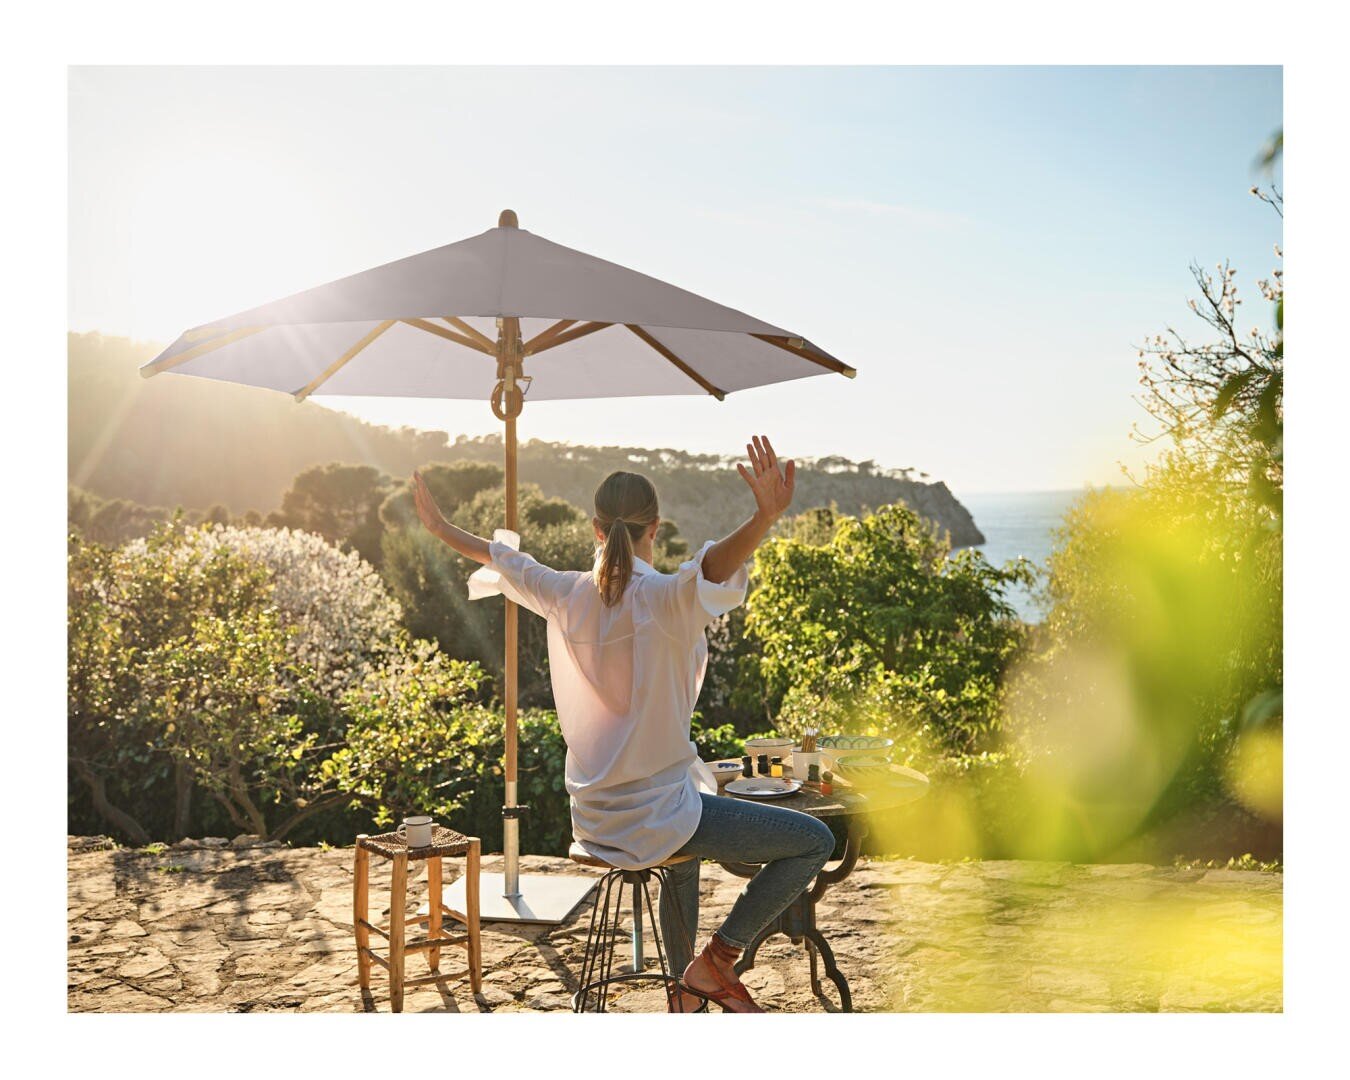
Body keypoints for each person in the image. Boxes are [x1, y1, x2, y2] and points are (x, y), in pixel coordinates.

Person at [411, 435, 835, 1013]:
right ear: (654, 528)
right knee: (814, 841)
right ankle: (717, 962)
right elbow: (711, 568)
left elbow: (502, 558)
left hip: (594, 817)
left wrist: (438, 529)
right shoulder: (663, 598)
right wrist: (764, 516)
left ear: (593, 527)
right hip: (657, 816)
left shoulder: (566, 593)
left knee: (683, 839)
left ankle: (681, 995)